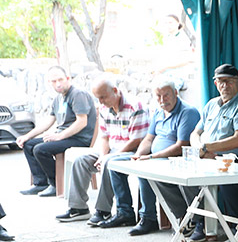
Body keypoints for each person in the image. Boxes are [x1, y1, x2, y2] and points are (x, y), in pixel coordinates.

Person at [55, 74, 148, 227]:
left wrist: (108, 157)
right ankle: (78, 208)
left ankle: (103, 210)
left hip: (134, 151)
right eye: (98, 98)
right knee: (81, 161)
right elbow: (104, 137)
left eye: (103, 97)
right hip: (112, 149)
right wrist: (102, 155)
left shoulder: (135, 106)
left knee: (108, 162)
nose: (101, 102)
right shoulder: (105, 109)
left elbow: (136, 140)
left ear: (115, 90)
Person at [183, 63, 238, 242]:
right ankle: (198, 221)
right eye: (220, 82)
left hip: (232, 159)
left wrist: (208, 149)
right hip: (206, 155)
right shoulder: (211, 105)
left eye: (229, 81)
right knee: (183, 178)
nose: (224, 85)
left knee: (227, 183)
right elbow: (195, 132)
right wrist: (199, 149)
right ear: (215, 84)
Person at [120, 79, 201, 236]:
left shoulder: (187, 112)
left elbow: (181, 145)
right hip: (157, 159)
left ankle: (191, 218)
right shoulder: (158, 112)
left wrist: (151, 157)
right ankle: (147, 217)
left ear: (176, 93)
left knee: (152, 172)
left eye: (166, 95)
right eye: (158, 96)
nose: (162, 100)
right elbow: (149, 139)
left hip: (177, 160)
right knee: (136, 169)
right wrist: (138, 155)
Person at [18, 65, 97, 197]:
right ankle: (41, 183)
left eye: (60, 79)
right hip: (64, 137)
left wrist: (59, 136)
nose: (58, 84)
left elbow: (81, 122)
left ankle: (56, 184)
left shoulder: (78, 95)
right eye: (54, 81)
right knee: (29, 144)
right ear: (50, 83)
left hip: (79, 139)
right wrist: (26, 136)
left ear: (68, 78)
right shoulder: (58, 99)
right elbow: (48, 122)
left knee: (40, 149)